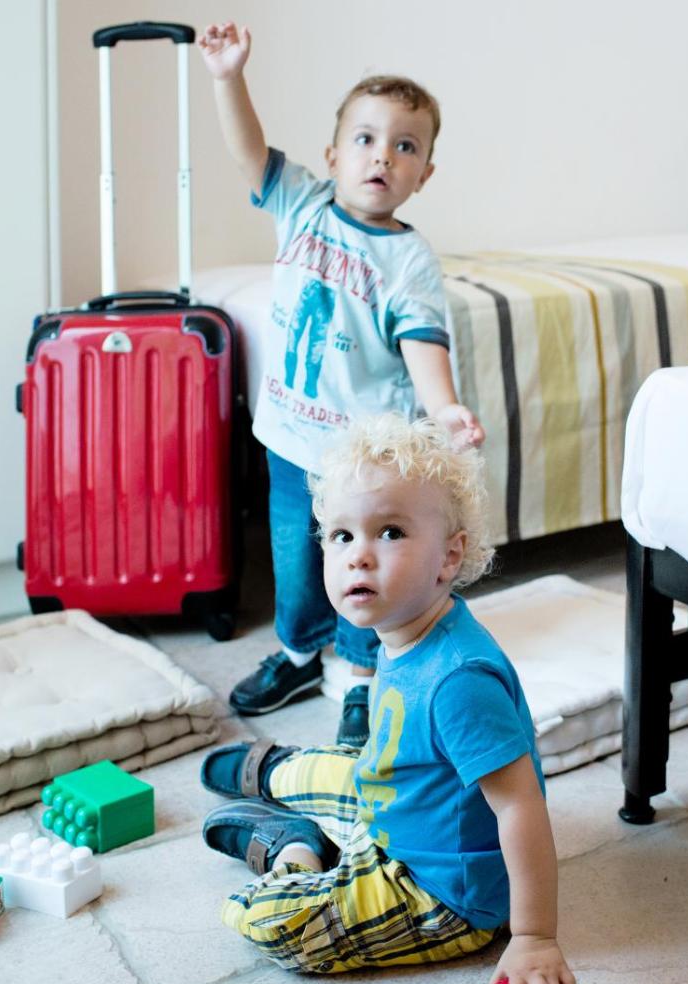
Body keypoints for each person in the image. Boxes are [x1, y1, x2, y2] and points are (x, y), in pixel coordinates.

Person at [197, 414, 575, 984]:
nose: (359, 556)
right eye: (341, 536)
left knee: (268, 921)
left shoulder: (459, 681)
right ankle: (278, 772)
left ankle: (296, 849)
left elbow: (520, 807)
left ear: (449, 557)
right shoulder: (402, 627)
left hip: (438, 888)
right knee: (344, 763)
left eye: (390, 532)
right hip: (392, 806)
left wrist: (534, 937)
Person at [198, 23, 484, 745]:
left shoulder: (409, 261)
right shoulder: (301, 202)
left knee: (365, 561)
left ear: (424, 175)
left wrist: (446, 407)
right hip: (288, 437)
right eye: (365, 139)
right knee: (295, 562)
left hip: (362, 457)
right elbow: (247, 151)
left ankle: (359, 678)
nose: (382, 156)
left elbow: (422, 342)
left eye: (405, 146)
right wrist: (228, 78)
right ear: (332, 157)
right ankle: (299, 653)